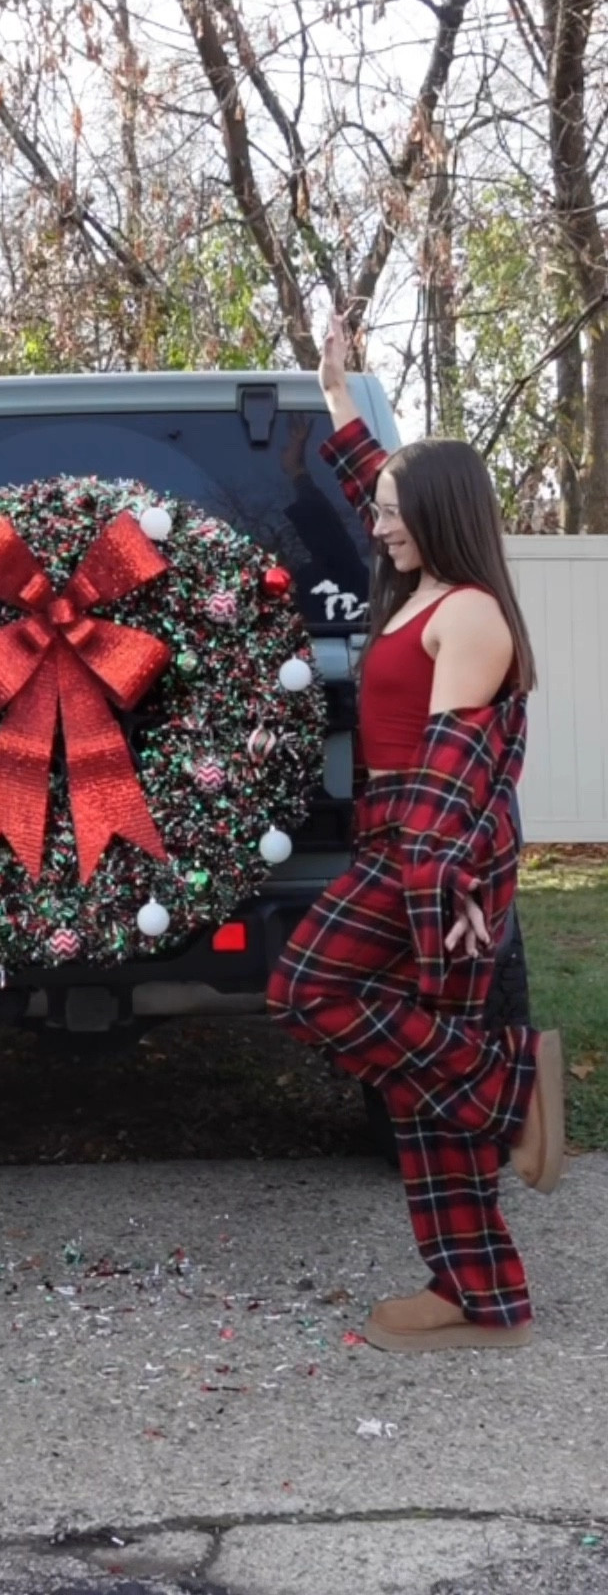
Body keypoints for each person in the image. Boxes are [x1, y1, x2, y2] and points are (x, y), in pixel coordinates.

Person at [266, 309, 565, 1352]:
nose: (377, 522)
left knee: (308, 987)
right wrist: (337, 392)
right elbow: (371, 480)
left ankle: (513, 1089)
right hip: (399, 843)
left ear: (436, 517)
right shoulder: (421, 586)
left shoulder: (470, 613)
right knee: (416, 1077)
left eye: (395, 512)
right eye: (378, 507)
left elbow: (453, 778)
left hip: (431, 857)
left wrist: (450, 903)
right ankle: (477, 1291)